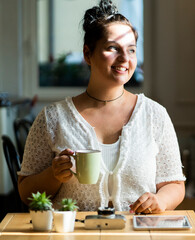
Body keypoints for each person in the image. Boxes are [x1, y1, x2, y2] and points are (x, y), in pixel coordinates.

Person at [18, 0, 186, 214]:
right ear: (88, 54)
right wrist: (53, 175)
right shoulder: (53, 118)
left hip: (136, 234)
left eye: (132, 50)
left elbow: (175, 185)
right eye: (113, 48)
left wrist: (160, 201)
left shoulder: (155, 115)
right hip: (74, 235)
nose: (125, 58)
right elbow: (25, 192)